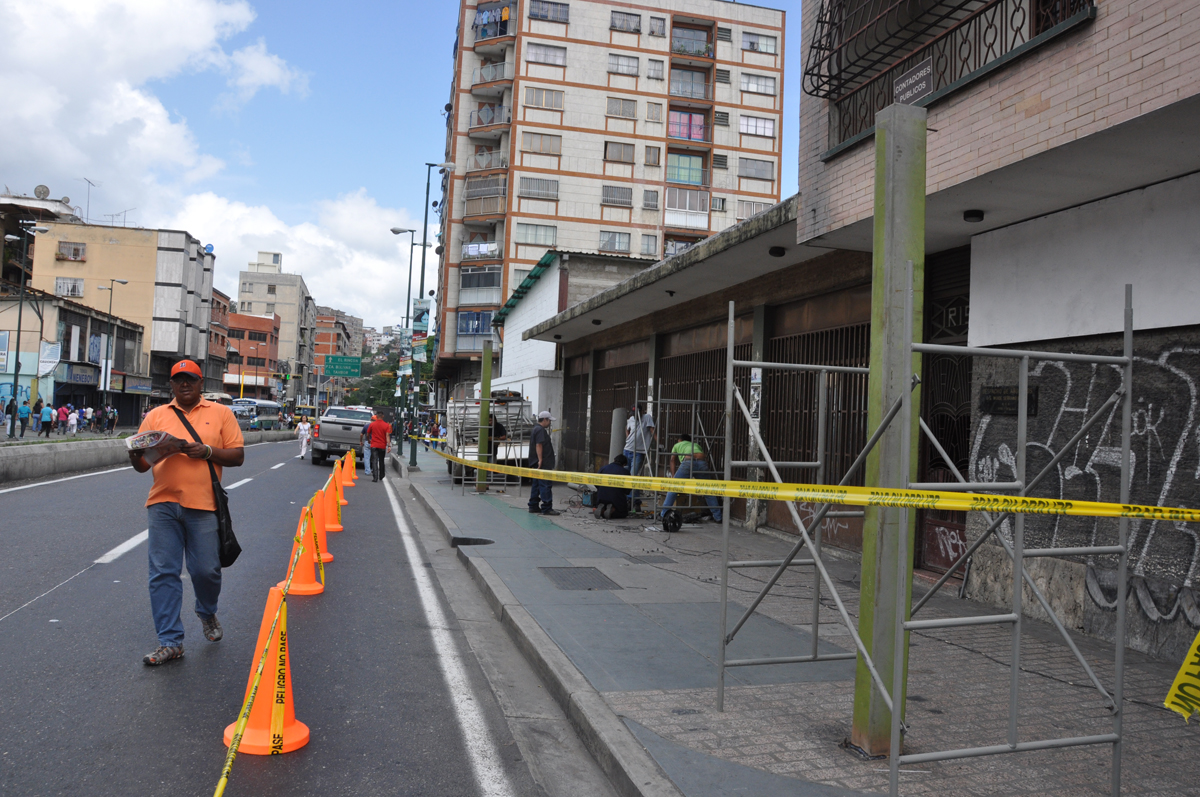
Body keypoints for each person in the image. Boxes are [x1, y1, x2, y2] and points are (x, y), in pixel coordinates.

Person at [128, 359, 244, 666]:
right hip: (163, 504)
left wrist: (206, 451)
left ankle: (206, 611)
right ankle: (171, 642)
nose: (184, 385)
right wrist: (135, 452)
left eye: (190, 380)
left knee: (206, 570)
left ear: (200, 383)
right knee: (163, 572)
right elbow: (141, 466)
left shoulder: (221, 413)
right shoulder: (156, 415)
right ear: (171, 385)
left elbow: (238, 456)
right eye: (178, 380)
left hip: (204, 506)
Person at [660, 434, 722, 523]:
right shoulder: (696, 445)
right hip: (702, 462)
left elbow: (672, 460)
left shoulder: (677, 445)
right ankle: (718, 517)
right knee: (708, 490)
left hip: (688, 462)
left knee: (673, 488)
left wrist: (673, 476)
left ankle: (664, 514)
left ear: (680, 440)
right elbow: (705, 459)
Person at [622, 402, 656, 509]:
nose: (634, 416)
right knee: (627, 476)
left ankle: (632, 500)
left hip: (639, 452)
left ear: (642, 411)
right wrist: (628, 437)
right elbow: (626, 428)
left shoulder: (647, 418)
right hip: (627, 449)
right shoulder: (631, 419)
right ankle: (633, 500)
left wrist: (658, 442)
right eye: (633, 413)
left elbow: (652, 431)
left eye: (636, 413)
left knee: (633, 476)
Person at [527, 410, 559, 515]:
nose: (550, 423)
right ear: (544, 419)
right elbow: (539, 445)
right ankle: (547, 507)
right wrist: (540, 460)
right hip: (543, 463)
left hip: (536, 463)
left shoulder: (535, 429)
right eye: (549, 420)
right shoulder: (540, 430)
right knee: (545, 485)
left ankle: (533, 505)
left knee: (536, 485)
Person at [594, 453, 631, 520]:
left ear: (614, 460)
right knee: (623, 513)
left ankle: (602, 510)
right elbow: (627, 490)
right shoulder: (625, 472)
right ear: (624, 464)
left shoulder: (603, 468)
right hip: (616, 499)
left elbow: (596, 484)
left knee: (603, 499)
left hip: (601, 497)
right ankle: (612, 510)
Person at [365, 413, 392, 482]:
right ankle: (381, 475)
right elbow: (387, 436)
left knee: (374, 460)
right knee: (381, 460)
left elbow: (368, 434)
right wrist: (389, 445)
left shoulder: (372, 424)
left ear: (376, 416)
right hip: (382, 446)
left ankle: (375, 477)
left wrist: (368, 440)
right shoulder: (386, 425)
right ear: (383, 416)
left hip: (374, 445)